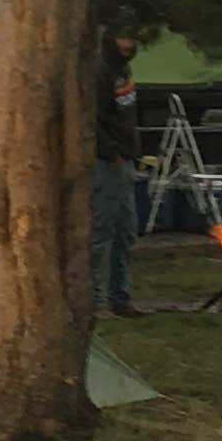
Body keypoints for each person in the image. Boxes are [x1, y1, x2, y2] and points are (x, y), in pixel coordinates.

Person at [92, 33, 145, 318]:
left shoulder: (124, 69)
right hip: (107, 161)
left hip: (126, 159)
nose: (128, 45)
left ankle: (120, 297)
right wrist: (110, 151)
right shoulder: (100, 70)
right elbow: (94, 118)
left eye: (132, 40)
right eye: (122, 39)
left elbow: (127, 114)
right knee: (102, 229)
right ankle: (94, 300)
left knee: (126, 230)